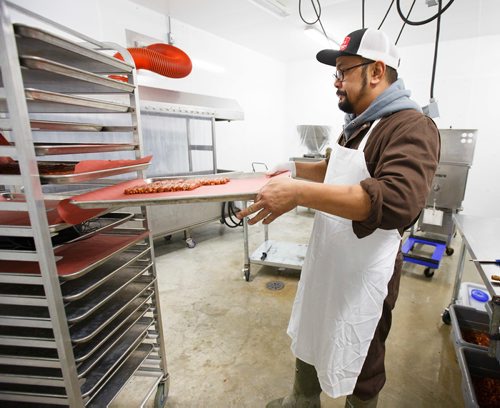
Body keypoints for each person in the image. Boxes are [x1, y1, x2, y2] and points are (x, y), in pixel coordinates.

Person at [237, 28, 440, 408]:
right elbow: (333, 171)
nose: (337, 82)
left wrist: (297, 192)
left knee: (362, 347)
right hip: (330, 258)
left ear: (376, 71)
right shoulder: (360, 125)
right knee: (314, 325)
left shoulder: (410, 126)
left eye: (344, 71)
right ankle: (302, 401)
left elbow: (398, 200)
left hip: (366, 270)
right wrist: (288, 170)